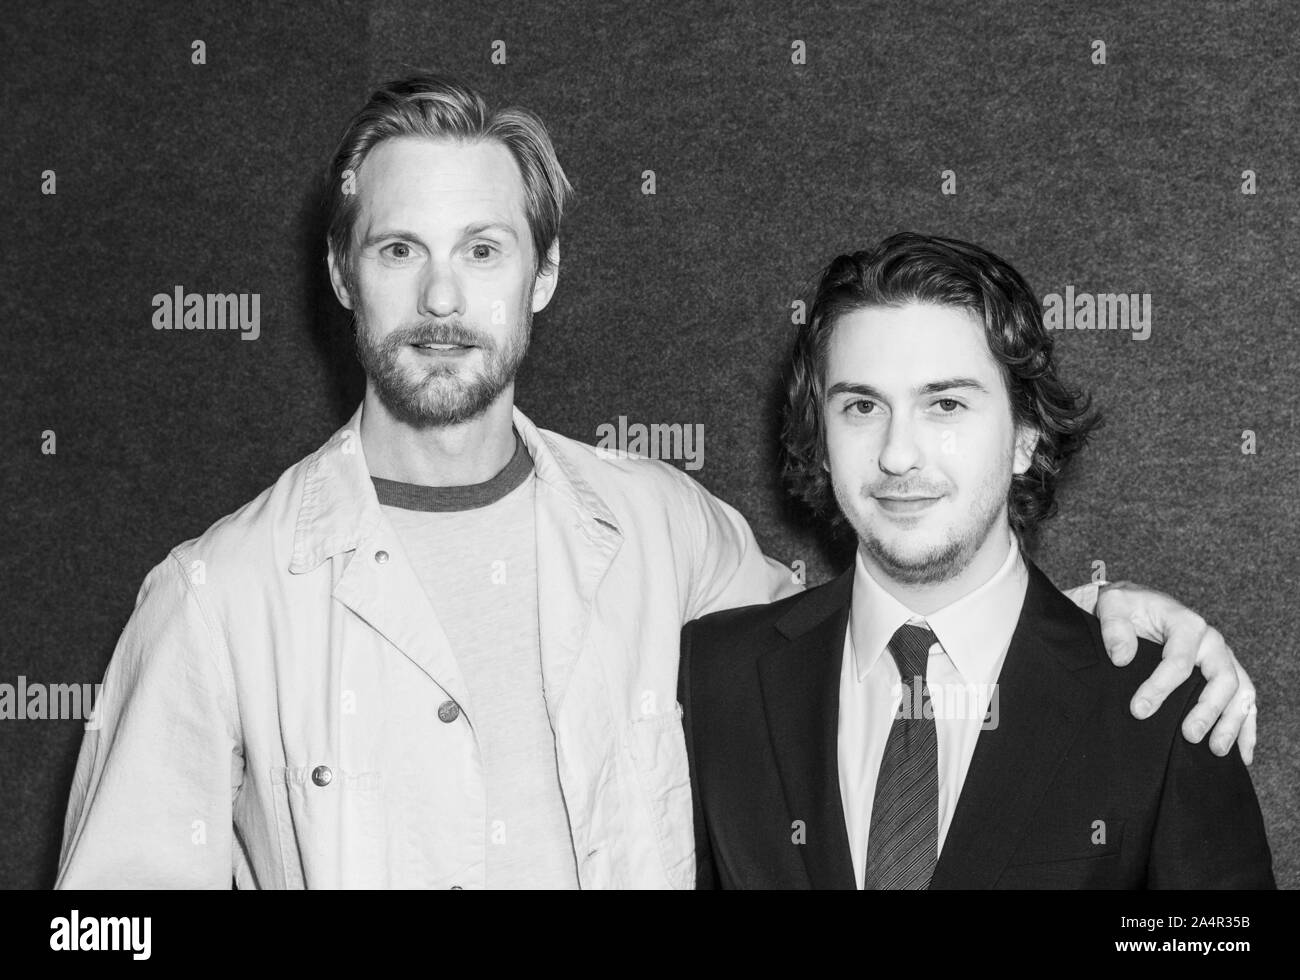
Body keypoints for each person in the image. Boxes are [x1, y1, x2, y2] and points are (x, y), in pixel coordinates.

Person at [58, 76, 1256, 890]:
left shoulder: (662, 532)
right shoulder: (217, 596)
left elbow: (897, 608)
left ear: (542, 272)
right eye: (397, 250)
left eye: (482, 249)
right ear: (339, 272)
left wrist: (1121, 619)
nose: (439, 300)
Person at [679, 233, 1274, 889]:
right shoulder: (713, 679)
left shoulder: (1159, 705)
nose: (897, 454)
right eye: (861, 406)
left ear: (1026, 436)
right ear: (821, 441)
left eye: (946, 404)